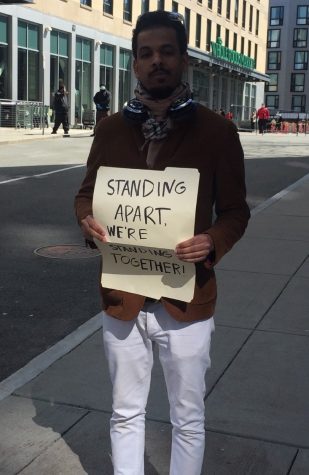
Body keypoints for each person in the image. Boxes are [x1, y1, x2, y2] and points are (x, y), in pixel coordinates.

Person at [74, 10, 250, 475]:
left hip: (187, 299)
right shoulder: (111, 129)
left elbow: (235, 211)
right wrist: (88, 221)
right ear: (134, 63)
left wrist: (212, 240)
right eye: (146, 53)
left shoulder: (217, 131)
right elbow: (87, 194)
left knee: (187, 418)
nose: (157, 61)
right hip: (123, 296)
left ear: (183, 60)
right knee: (125, 412)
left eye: (166, 52)